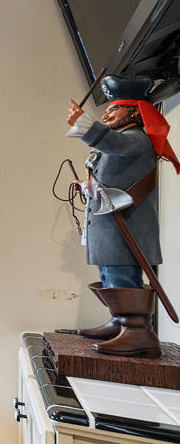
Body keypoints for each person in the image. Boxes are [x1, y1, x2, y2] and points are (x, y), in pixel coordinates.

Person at [66, 75, 180, 356]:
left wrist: (85, 124)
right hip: (109, 222)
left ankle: (137, 332)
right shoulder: (124, 140)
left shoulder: (137, 139)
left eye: (113, 109)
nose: (106, 114)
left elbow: (113, 145)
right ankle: (120, 322)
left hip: (126, 223)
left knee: (122, 275)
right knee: (109, 273)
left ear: (132, 112)